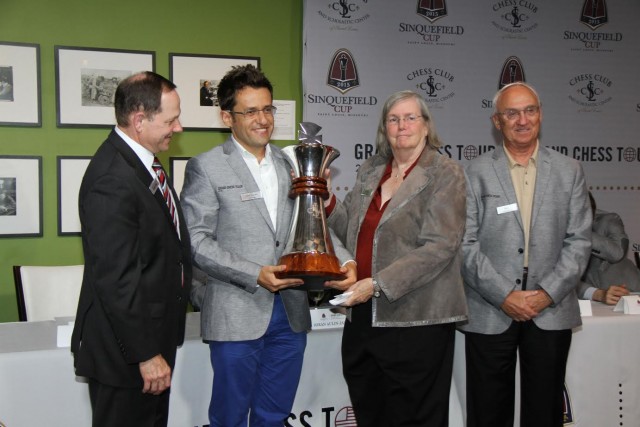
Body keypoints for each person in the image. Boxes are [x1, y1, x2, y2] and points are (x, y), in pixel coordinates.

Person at [180, 64, 356, 427]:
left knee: (274, 416)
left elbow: (315, 223)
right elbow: (195, 241)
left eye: (268, 109)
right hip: (235, 312)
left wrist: (346, 260)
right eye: (251, 111)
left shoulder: (291, 163)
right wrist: (254, 274)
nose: (263, 120)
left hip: (289, 313)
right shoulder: (207, 167)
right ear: (227, 116)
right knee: (228, 418)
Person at [325, 90, 468, 426]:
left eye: (410, 118)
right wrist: (325, 197)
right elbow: (349, 229)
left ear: (425, 125)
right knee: (369, 410)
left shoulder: (446, 173)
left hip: (417, 321)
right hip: (363, 319)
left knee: (416, 418)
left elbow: (439, 246)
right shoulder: (372, 170)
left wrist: (376, 284)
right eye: (393, 119)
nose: (401, 126)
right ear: (384, 127)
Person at [460, 82, 592, 427]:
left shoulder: (569, 170)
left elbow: (579, 241)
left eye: (529, 110)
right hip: (490, 309)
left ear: (541, 115)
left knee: (545, 411)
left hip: (551, 308)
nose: (522, 119)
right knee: (487, 411)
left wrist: (545, 294)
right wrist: (504, 294)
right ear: (497, 121)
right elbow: (464, 243)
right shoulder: (473, 172)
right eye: (512, 112)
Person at [71, 71, 192, 427]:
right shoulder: (112, 178)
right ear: (140, 120)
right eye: (171, 120)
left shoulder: (142, 163)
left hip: (148, 343)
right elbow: (117, 279)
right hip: (127, 355)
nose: (179, 128)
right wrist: (146, 353)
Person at [577, 192, 640, 305]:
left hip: (627, 293)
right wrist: (597, 294)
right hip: (584, 297)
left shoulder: (608, 220)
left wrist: (580, 232)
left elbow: (617, 253)